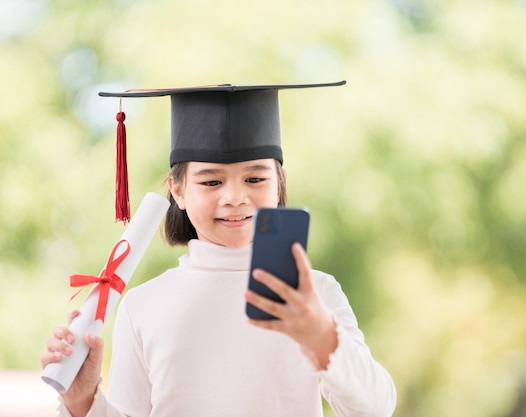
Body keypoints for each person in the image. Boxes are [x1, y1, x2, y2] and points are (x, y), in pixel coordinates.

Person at [41, 81, 397, 417]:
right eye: (211, 181)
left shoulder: (314, 293)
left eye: (255, 179)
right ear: (177, 190)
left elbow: (375, 408)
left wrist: (323, 337)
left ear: (279, 183)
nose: (235, 197)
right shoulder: (143, 305)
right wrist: (82, 401)